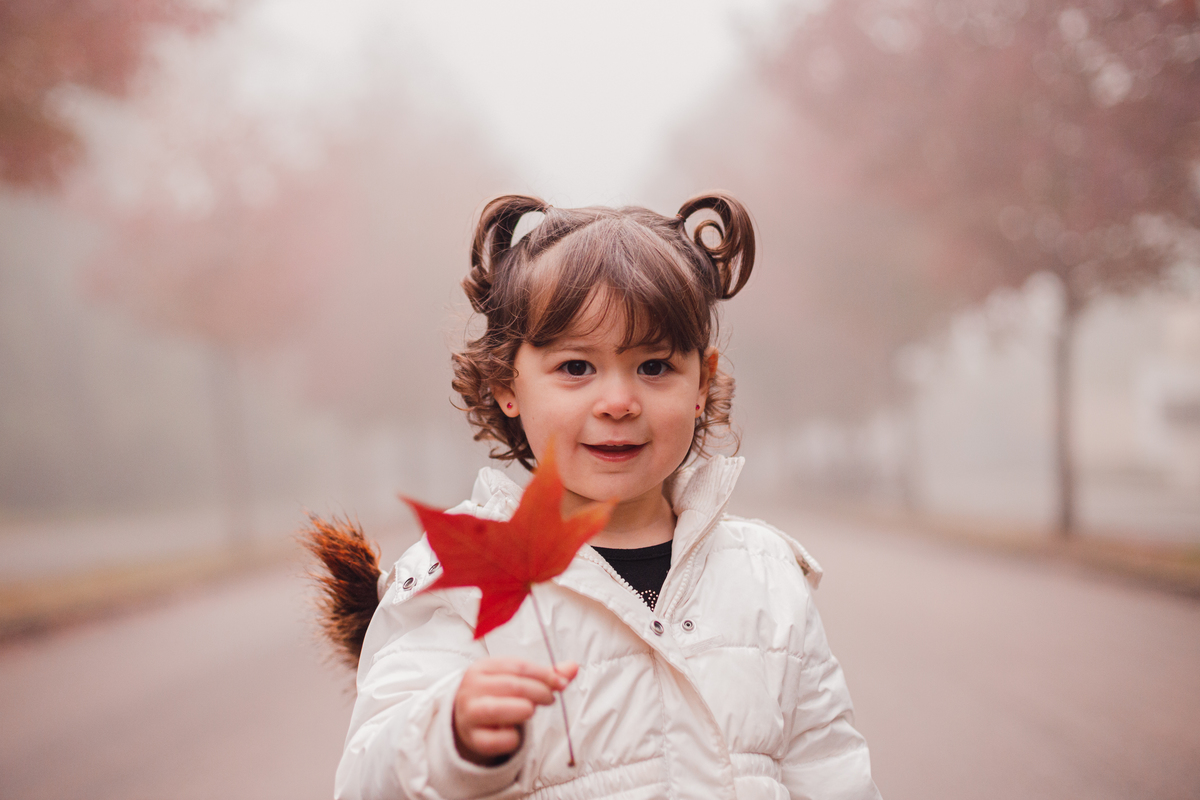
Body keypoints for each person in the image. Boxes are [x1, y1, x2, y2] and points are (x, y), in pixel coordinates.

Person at [324, 193, 881, 799]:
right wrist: (447, 735)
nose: (618, 402)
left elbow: (830, 767)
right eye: (575, 368)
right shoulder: (458, 576)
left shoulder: (767, 576)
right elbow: (365, 780)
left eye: (654, 367)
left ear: (702, 382)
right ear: (507, 383)